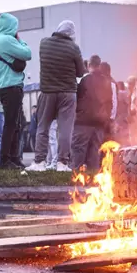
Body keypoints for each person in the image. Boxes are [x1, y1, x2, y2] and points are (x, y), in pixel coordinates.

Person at [27, 21, 85, 172]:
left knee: (43, 127)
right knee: (65, 129)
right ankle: (62, 163)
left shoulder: (44, 43)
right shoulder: (74, 48)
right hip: (67, 93)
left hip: (47, 92)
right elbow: (80, 72)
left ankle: (39, 162)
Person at [0, 13, 32, 169]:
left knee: (15, 123)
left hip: (3, 87)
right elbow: (28, 53)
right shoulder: (6, 40)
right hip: (10, 86)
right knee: (11, 124)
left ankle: (14, 158)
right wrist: (20, 39)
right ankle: (5, 160)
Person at [73, 55, 114, 175]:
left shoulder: (84, 79)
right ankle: (93, 178)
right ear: (100, 65)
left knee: (78, 150)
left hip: (83, 122)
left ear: (89, 65)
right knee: (95, 152)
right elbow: (110, 102)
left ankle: (77, 177)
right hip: (100, 123)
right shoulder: (108, 82)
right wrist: (106, 118)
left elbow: (77, 97)